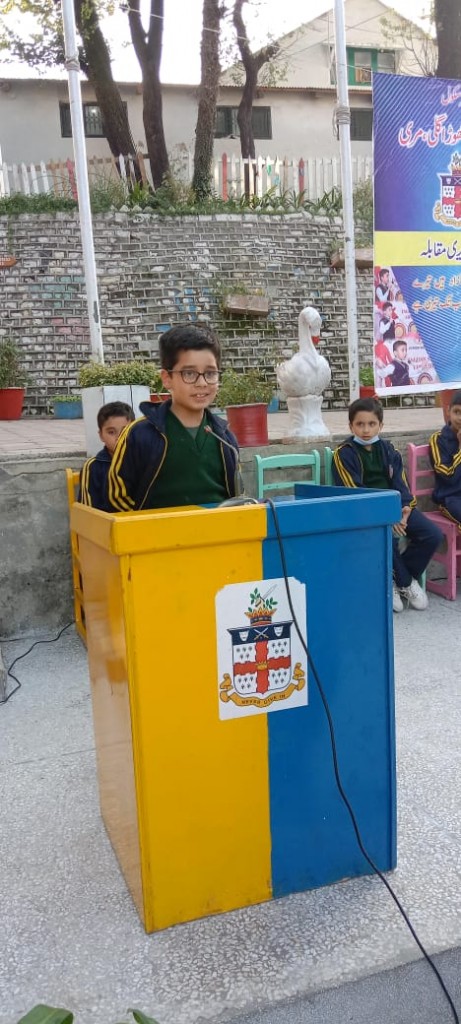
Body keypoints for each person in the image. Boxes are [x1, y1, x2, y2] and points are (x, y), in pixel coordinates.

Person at [108, 324, 240, 511]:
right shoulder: (139, 435)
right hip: (156, 528)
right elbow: (117, 496)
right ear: (166, 378)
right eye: (189, 373)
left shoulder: (225, 439)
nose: (202, 383)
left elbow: (236, 495)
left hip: (216, 527)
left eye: (210, 373)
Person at [332, 397, 443, 612]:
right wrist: (386, 517)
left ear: (380, 425)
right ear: (351, 426)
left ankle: (394, 579)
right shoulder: (343, 454)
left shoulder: (388, 450)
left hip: (396, 510)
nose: (366, 430)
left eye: (371, 424)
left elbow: (401, 483)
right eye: (360, 424)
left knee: (432, 535)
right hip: (365, 515)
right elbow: (356, 494)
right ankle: (405, 582)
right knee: (386, 537)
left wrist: (405, 512)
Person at [79, 401, 135, 511]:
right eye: (111, 432)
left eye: (125, 431)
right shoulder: (93, 467)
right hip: (106, 521)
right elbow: (88, 511)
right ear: (101, 435)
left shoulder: (144, 461)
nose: (119, 437)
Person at [429, 389, 461, 529]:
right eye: (457, 412)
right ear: (448, 411)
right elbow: (447, 475)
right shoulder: (438, 439)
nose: (460, 418)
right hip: (450, 498)